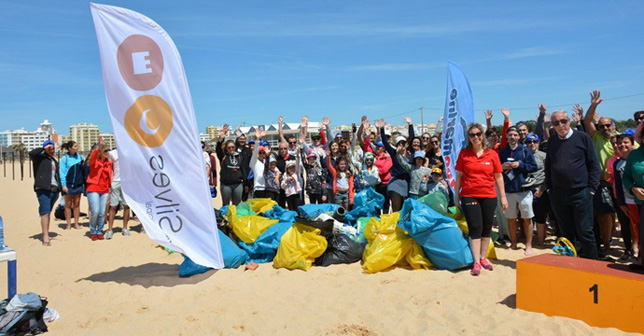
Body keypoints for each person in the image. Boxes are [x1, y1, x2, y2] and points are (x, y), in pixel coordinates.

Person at [545, 110, 600, 259]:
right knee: (565, 233)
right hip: (558, 194)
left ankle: (592, 265)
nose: (561, 125)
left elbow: (594, 165)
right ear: (553, 125)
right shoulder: (552, 141)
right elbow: (548, 166)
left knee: (585, 231)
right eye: (556, 123)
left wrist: (591, 190)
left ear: (569, 121)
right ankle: (570, 264)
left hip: (581, 192)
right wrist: (550, 189)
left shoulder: (582, 138)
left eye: (563, 121)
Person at [455, 123, 507, 276]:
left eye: (478, 134)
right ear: (468, 137)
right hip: (470, 194)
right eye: (472, 135)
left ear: (483, 135)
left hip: (489, 195)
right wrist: (456, 195)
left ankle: (483, 257)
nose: (475, 137)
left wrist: (503, 196)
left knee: (486, 228)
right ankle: (476, 261)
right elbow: (459, 176)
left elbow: (498, 176)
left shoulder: (492, 154)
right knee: (475, 228)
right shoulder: (464, 153)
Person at [583, 90, 616, 252]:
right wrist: (594, 105)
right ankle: (607, 244)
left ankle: (631, 246)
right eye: (601, 125)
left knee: (618, 214)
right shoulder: (596, 137)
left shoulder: (622, 141)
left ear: (613, 126)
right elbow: (587, 119)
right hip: (601, 182)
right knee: (603, 214)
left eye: (607, 125)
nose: (604, 128)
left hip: (620, 183)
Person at [499, 127, 538, 255]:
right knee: (511, 219)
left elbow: (533, 167)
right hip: (509, 190)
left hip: (524, 190)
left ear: (518, 137)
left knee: (527, 218)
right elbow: (496, 170)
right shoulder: (503, 152)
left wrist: (520, 165)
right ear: (507, 137)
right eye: (510, 135)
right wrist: (502, 167)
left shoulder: (525, 150)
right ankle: (514, 244)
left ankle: (528, 245)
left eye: (515, 135)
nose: (513, 137)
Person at [29, 140, 61, 246]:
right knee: (45, 212)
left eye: (53, 149)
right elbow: (32, 153)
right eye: (49, 148)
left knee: (48, 212)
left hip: (54, 189)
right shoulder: (39, 158)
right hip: (42, 188)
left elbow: (56, 175)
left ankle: (46, 232)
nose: (52, 150)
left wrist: (60, 188)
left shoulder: (53, 160)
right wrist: (44, 148)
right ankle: (45, 236)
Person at [611, 133, 637, 260]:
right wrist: (620, 203)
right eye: (620, 143)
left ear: (632, 144)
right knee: (625, 226)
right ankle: (628, 250)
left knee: (637, 227)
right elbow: (617, 185)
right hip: (624, 200)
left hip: (638, 201)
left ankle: (638, 250)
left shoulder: (638, 160)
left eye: (626, 142)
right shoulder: (617, 164)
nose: (622, 145)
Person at [522, 133, 550, 246]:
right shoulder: (522, 155)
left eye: (534, 142)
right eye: (529, 142)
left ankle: (540, 241)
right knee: (527, 216)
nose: (532, 144)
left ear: (538, 143)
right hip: (525, 189)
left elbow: (548, 174)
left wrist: (542, 189)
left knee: (540, 217)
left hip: (540, 189)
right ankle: (528, 241)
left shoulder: (544, 156)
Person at [86, 138, 113, 241]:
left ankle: (100, 231)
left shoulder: (109, 163)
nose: (107, 153)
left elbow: (110, 176)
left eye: (108, 151)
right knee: (95, 211)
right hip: (93, 188)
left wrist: (110, 189)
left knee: (102, 212)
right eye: (105, 151)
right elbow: (92, 156)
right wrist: (98, 145)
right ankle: (93, 231)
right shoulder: (95, 161)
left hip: (104, 189)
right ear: (101, 153)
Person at [216, 124, 247, 207]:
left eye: (233, 147)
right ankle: (225, 219)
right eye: (229, 147)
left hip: (238, 184)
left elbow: (243, 170)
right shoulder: (223, 156)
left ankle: (235, 219)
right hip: (226, 185)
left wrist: (246, 183)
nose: (231, 149)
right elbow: (218, 149)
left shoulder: (239, 156)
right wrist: (220, 139)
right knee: (226, 205)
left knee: (237, 206)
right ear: (226, 148)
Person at [59, 140, 85, 230]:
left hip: (78, 184)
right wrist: (64, 185)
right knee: (68, 205)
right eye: (75, 146)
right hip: (68, 184)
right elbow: (62, 173)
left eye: (77, 146)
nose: (77, 147)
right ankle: (68, 224)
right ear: (69, 148)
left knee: (77, 204)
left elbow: (83, 171)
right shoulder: (64, 159)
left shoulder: (80, 158)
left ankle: (76, 223)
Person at [106, 148, 130, 239]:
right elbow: (109, 168)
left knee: (126, 206)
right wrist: (111, 182)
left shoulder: (128, 152)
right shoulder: (112, 153)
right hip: (116, 181)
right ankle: (110, 229)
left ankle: (125, 228)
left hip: (127, 182)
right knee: (113, 206)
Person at [249, 130, 268, 198]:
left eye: (263, 152)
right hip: (258, 188)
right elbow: (255, 152)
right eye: (260, 152)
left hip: (268, 188)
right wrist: (257, 139)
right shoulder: (254, 162)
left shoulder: (266, 161)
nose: (262, 154)